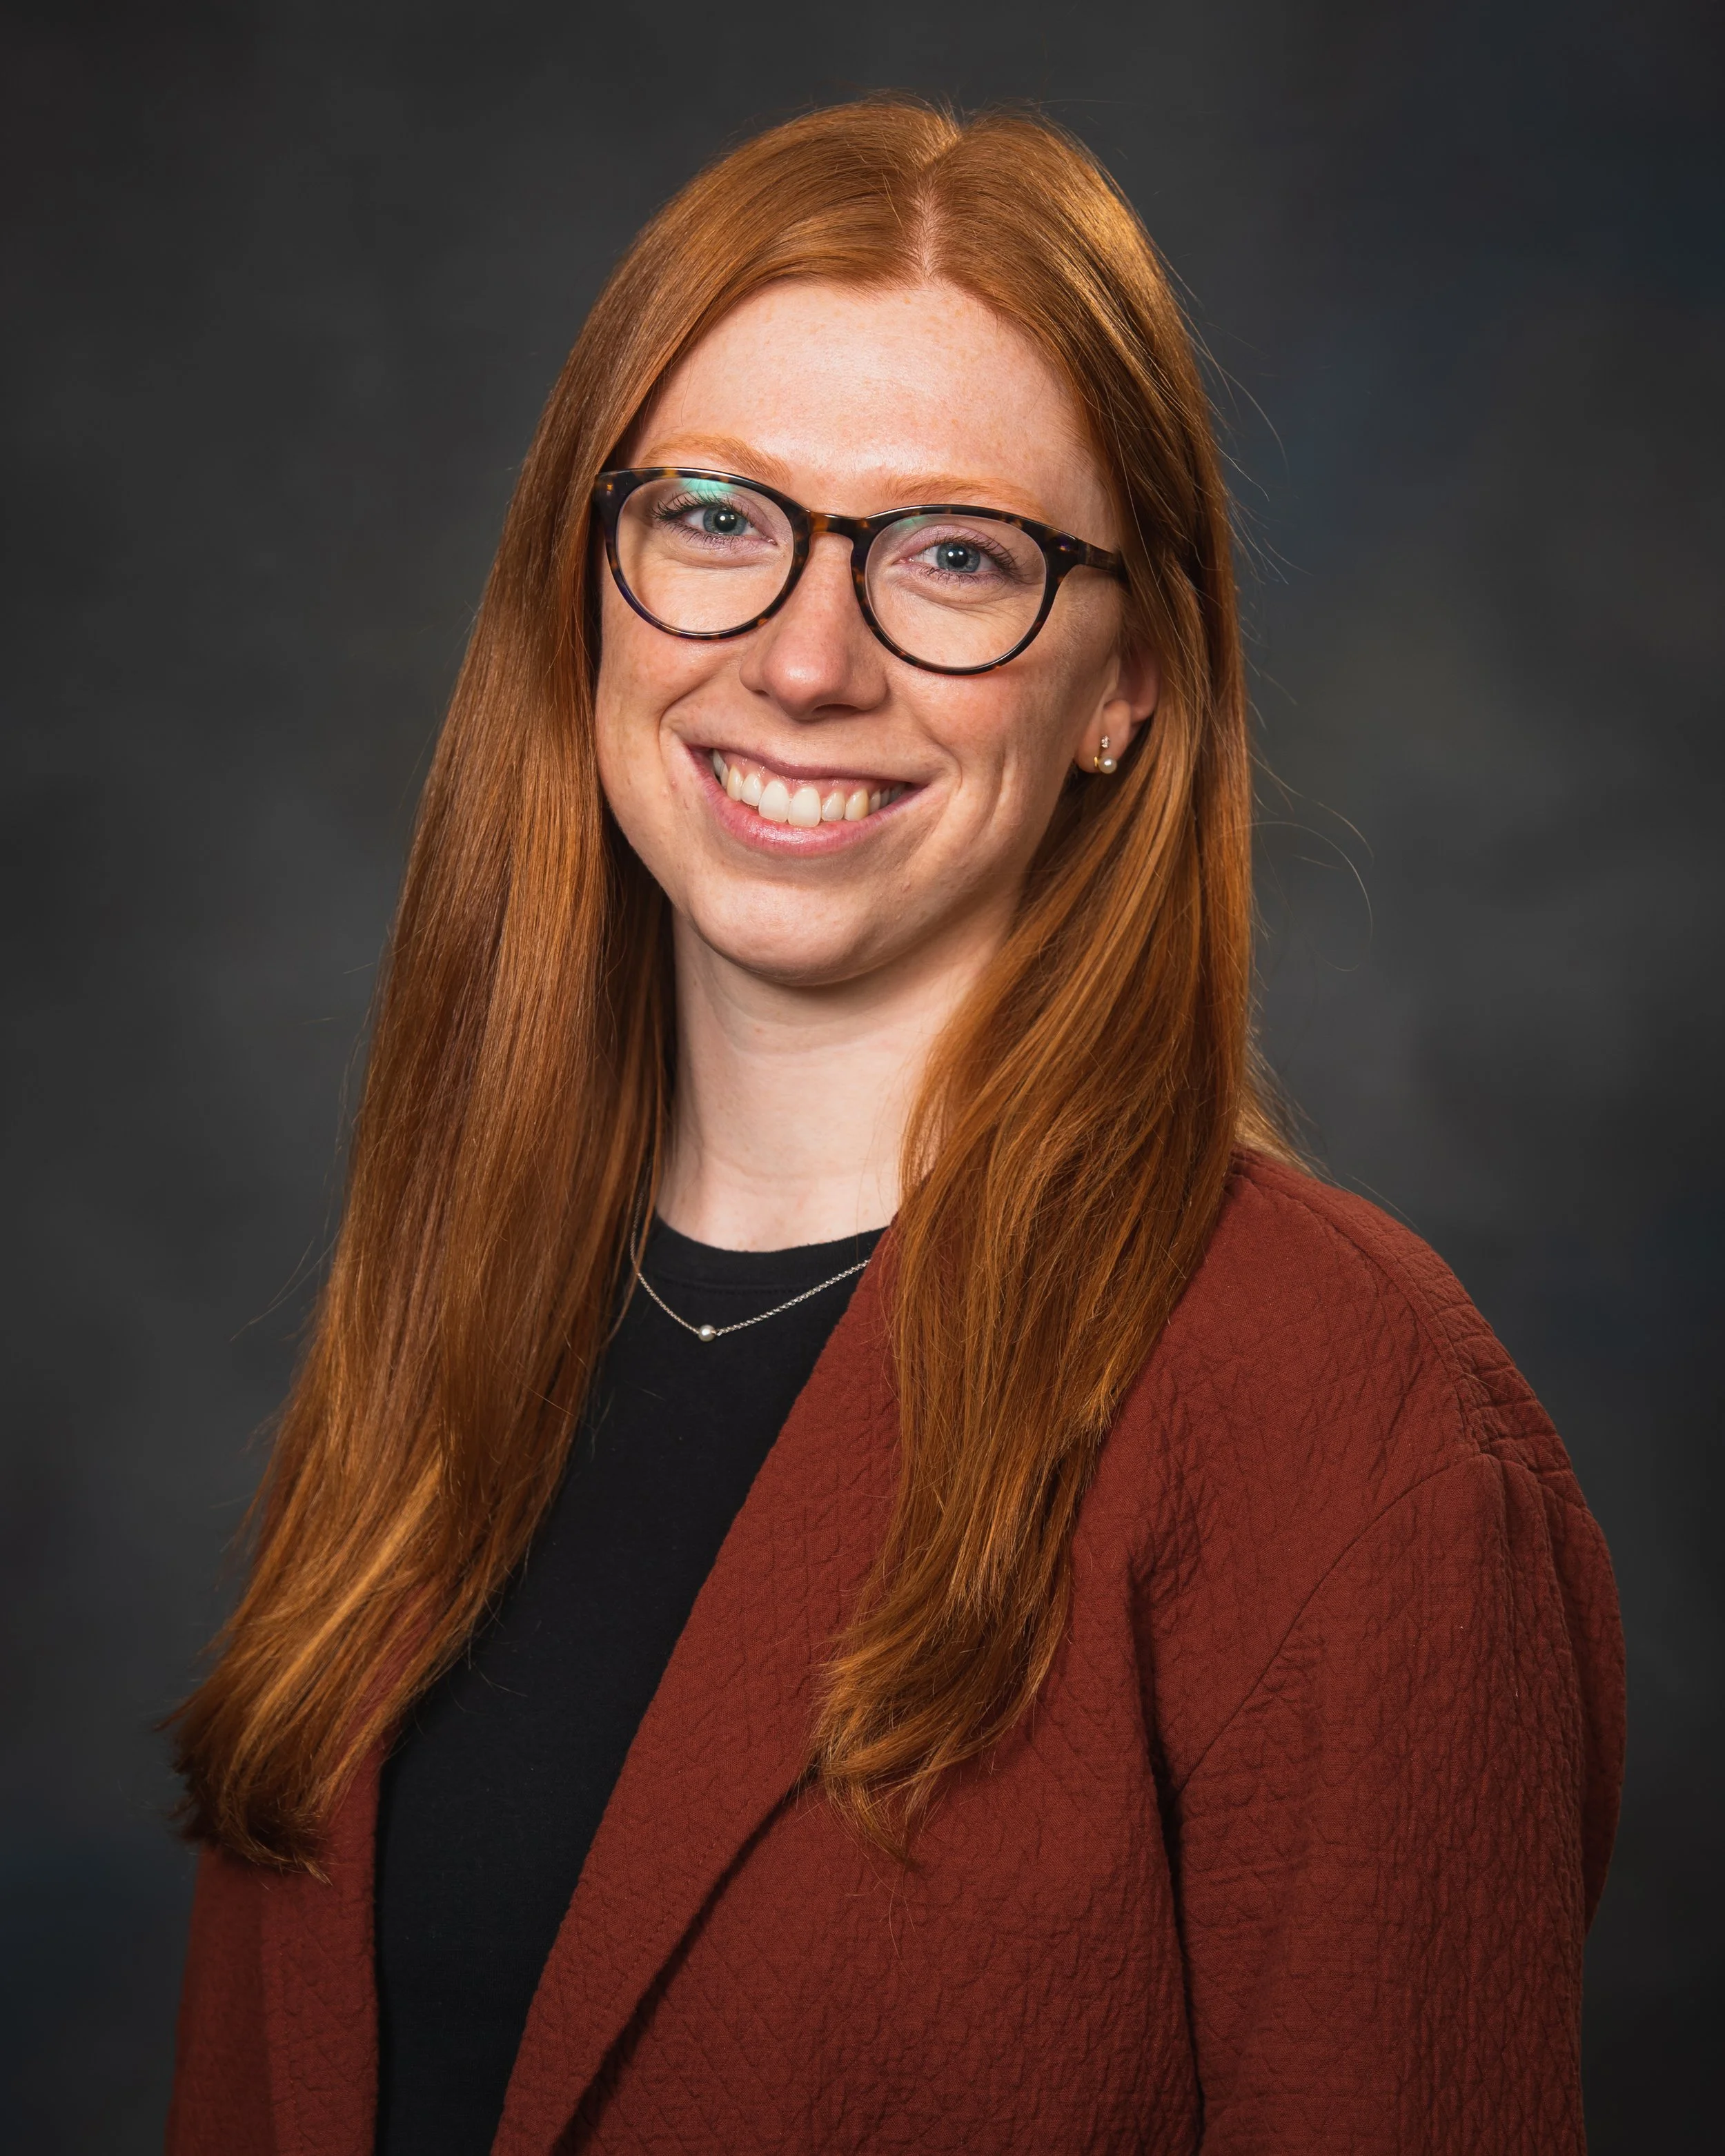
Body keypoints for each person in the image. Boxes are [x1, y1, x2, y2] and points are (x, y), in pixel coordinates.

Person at [165, 100, 1624, 2156]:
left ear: (1127, 675)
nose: (804, 656)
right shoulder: (446, 1320)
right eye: (713, 516)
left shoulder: (1345, 1417)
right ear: (587, 581)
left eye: (954, 554)